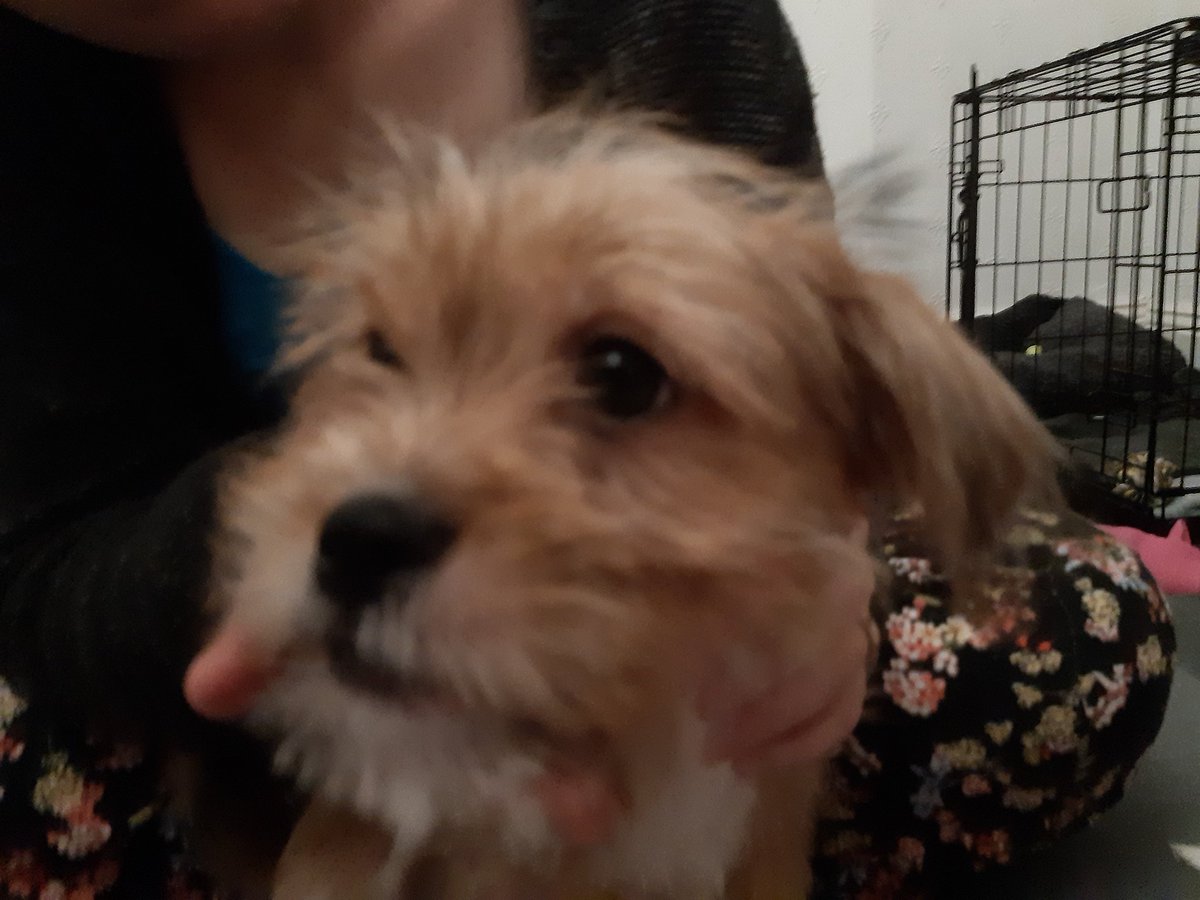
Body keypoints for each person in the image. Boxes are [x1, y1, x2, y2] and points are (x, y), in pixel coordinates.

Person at [0, 2, 1174, 897]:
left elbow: (813, 442)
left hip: (689, 670)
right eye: (379, 352)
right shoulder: (43, 110)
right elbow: (49, 556)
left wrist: (832, 583)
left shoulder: (672, 19)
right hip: (203, 673)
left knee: (1075, 621)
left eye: (618, 375)